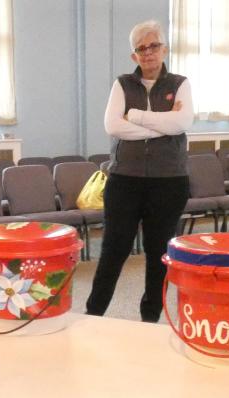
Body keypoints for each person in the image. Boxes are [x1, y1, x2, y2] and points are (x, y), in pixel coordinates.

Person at [85, 20, 193, 322]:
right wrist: (162, 124)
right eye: (141, 48)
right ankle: (93, 313)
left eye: (154, 45)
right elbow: (113, 127)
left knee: (159, 255)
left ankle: (150, 318)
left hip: (169, 182)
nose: (148, 53)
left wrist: (135, 116)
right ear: (134, 56)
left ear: (164, 48)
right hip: (125, 181)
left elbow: (182, 124)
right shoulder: (122, 84)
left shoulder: (180, 83)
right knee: (113, 251)